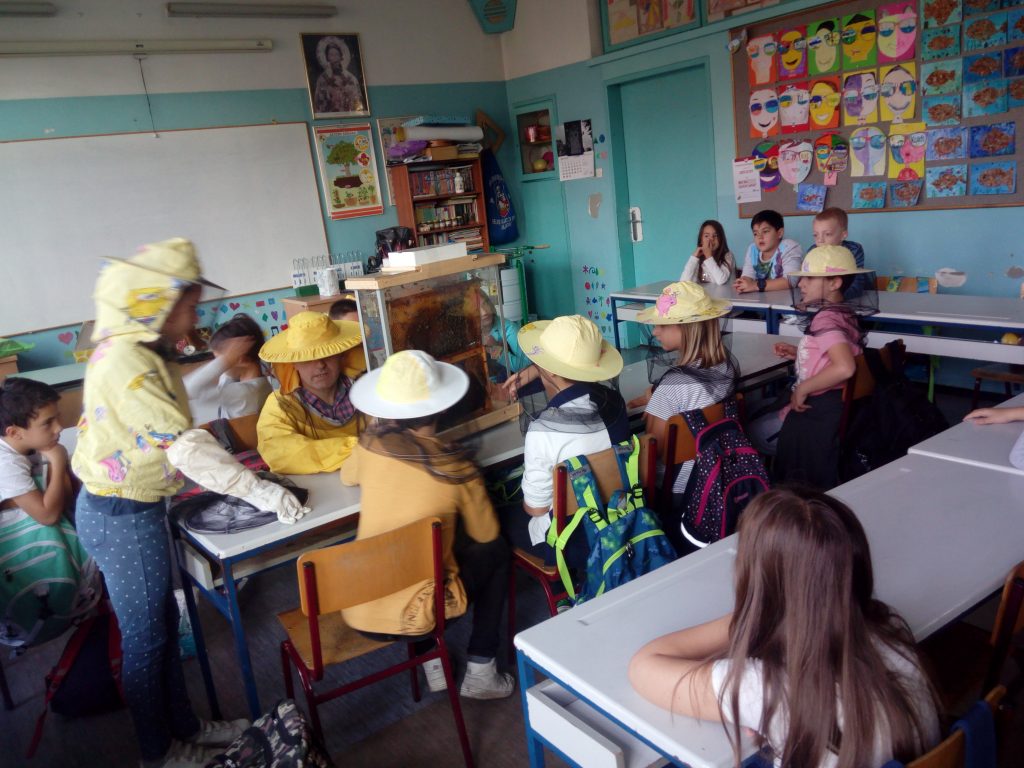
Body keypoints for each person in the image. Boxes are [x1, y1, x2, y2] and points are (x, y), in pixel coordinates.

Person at [72, 239, 267, 768]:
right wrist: (256, 489)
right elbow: (180, 441)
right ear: (160, 302)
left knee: (160, 627)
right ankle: (158, 752)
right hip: (121, 514)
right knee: (147, 641)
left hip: (133, 507)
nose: (196, 317)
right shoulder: (126, 360)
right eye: (191, 306)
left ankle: (185, 727)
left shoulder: (145, 351)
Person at [629, 487, 940, 768]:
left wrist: (756, 614)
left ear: (758, 584)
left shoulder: (765, 686)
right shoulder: (891, 627)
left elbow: (643, 666)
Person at [342, 350, 514, 699]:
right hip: (424, 614)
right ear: (442, 407)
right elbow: (485, 533)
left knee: (411, 554)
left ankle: (432, 662)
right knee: (496, 551)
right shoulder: (457, 468)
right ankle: (481, 669)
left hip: (357, 606)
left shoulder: (369, 446)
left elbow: (348, 477)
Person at [499, 315, 628, 568]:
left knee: (499, 518)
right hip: (620, 515)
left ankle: (558, 584)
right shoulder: (615, 402)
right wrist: (537, 370)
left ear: (548, 368)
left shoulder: (542, 431)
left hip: (573, 538)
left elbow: (536, 509)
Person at [747, 245, 873, 489]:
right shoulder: (843, 313)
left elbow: (845, 367)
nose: (801, 284)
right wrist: (800, 353)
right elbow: (834, 353)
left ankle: (764, 489)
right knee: (756, 409)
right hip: (835, 409)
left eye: (809, 278)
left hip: (817, 411)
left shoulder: (826, 318)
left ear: (835, 283)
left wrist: (803, 388)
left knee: (744, 430)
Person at [626, 282, 737, 541]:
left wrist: (655, 405)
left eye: (663, 325)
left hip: (678, 488)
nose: (655, 331)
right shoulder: (725, 367)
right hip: (715, 472)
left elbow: (654, 452)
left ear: (687, 328)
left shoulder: (673, 387)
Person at [0, 378, 101, 649]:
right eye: (48, 423)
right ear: (14, 432)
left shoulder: (28, 447)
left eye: (57, 418)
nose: (59, 428)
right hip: (17, 565)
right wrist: (57, 460)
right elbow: (48, 515)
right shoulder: (5, 463)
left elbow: (63, 499)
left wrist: (57, 464)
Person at [256, 311, 363, 474]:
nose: (320, 365)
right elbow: (279, 453)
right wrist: (362, 447)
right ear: (294, 363)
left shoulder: (366, 389)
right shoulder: (281, 404)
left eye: (327, 354)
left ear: (340, 355)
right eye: (307, 358)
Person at [183, 313, 272, 425]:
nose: (220, 364)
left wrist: (226, 361)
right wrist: (228, 359)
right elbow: (225, 378)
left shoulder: (245, 393)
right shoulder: (256, 383)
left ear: (241, 359)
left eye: (219, 359)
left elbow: (188, 390)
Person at [733, 210, 802, 294]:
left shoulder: (789, 247)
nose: (760, 237)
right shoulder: (753, 249)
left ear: (779, 233)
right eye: (755, 233)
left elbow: (790, 281)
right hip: (760, 299)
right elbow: (748, 275)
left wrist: (755, 285)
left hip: (786, 299)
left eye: (765, 231)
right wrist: (743, 283)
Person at [477, 288, 529, 379]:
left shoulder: (508, 328)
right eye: (476, 309)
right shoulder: (469, 333)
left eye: (485, 304)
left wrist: (496, 350)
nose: (484, 312)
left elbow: (528, 366)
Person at [313, 36, 365, 115]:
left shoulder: (350, 78)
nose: (334, 57)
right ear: (327, 57)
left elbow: (357, 100)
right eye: (331, 55)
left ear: (341, 56)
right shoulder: (322, 79)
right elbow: (319, 103)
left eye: (336, 54)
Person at [680, 220, 735, 286]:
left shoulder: (728, 255)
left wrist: (708, 256)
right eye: (706, 236)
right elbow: (684, 282)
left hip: (726, 292)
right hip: (705, 292)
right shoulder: (698, 259)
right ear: (701, 240)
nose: (711, 239)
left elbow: (721, 280)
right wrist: (693, 258)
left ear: (721, 239)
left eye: (715, 236)